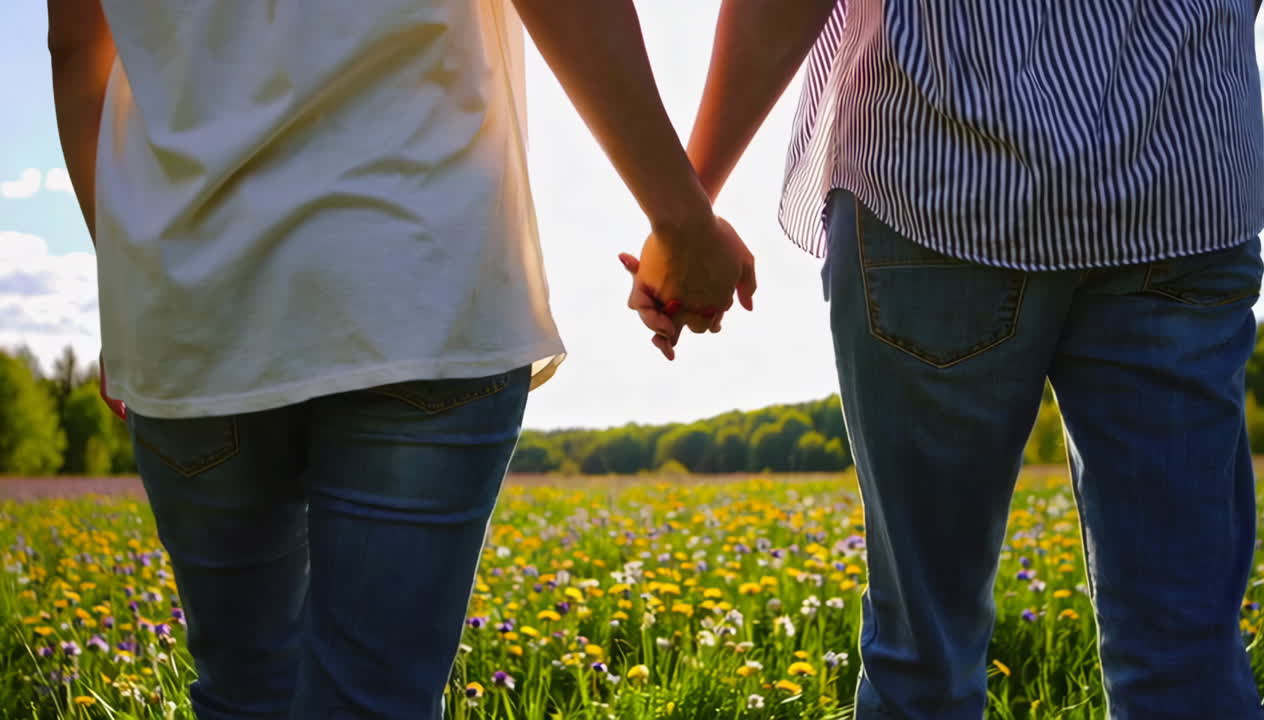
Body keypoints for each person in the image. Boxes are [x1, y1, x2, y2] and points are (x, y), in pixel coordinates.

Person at [46, 0, 752, 716]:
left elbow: (76, 48)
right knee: (374, 700)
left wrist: (130, 284)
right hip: (417, 279)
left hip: (189, 302)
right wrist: (682, 219)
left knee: (241, 691)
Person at [625, 0, 1264, 717]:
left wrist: (686, 212)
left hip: (940, 173)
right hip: (1182, 169)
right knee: (1185, 650)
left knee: (924, 654)